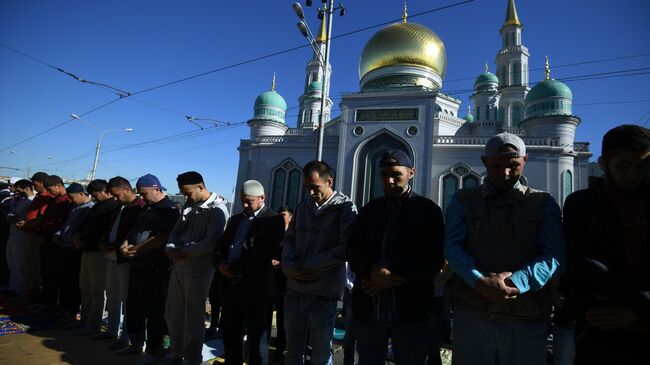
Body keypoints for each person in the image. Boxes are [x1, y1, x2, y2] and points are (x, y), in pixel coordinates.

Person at [444, 132, 565, 365]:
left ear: (525, 161)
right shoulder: (464, 200)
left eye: (513, 166)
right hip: (473, 314)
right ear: (484, 162)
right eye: (497, 166)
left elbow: (553, 255)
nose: (505, 173)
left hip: (526, 318)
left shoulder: (542, 203)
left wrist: (515, 283)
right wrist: (479, 282)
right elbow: (452, 247)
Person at [560, 125, 650, 364]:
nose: (632, 175)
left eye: (642, 166)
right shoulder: (582, 205)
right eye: (623, 166)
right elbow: (577, 264)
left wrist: (638, 312)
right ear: (603, 162)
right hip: (600, 325)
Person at [346, 150, 445, 364]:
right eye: (383, 175)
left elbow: (432, 258)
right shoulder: (370, 211)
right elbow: (353, 249)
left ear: (411, 173)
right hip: (371, 308)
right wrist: (372, 271)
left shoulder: (427, 211)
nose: (389, 181)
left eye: (396, 175)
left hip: (410, 310)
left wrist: (387, 277)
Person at [282, 160, 357, 365]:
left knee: (321, 353)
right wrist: (288, 265)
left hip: (323, 292)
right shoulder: (303, 206)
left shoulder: (345, 208)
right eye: (307, 187)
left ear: (329, 181)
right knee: (293, 351)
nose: (311, 192)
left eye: (315, 187)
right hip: (295, 289)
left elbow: (344, 248)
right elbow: (290, 237)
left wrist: (309, 266)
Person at [214, 180, 285, 365]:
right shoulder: (236, 219)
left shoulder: (273, 219)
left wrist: (235, 269)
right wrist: (220, 264)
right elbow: (220, 246)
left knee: (257, 340)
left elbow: (263, 253)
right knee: (231, 335)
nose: (245, 205)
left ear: (262, 198)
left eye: (249, 202)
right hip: (231, 287)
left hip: (256, 289)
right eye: (242, 201)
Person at [164, 171, 229, 365]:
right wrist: (172, 248)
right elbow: (176, 231)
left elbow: (212, 241)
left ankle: (192, 358)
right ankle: (176, 354)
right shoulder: (189, 205)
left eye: (188, 192)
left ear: (201, 187)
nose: (186, 196)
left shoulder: (218, 209)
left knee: (193, 316)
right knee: (173, 313)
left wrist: (186, 252)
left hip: (198, 268)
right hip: (179, 263)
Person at [119, 174, 179, 364]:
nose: (142, 198)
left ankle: (155, 349)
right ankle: (136, 342)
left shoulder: (169, 210)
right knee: (134, 306)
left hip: (156, 268)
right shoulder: (146, 208)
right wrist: (125, 245)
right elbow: (134, 230)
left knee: (156, 311)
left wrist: (136, 250)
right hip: (138, 265)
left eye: (144, 194)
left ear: (157, 189)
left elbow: (161, 238)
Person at [95, 176, 146, 350]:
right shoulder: (120, 207)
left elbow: (134, 235)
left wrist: (116, 246)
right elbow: (112, 229)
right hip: (111, 256)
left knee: (127, 300)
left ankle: (126, 337)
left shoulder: (140, 207)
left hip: (124, 259)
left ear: (126, 190)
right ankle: (111, 331)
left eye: (117, 195)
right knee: (112, 295)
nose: (115, 199)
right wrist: (105, 242)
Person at [73, 179, 120, 335]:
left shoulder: (113, 208)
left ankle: (93, 325)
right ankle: (85, 320)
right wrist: (78, 237)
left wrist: (86, 239)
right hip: (87, 250)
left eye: (95, 194)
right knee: (84, 287)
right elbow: (86, 226)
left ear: (104, 191)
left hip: (99, 253)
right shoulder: (96, 207)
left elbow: (102, 231)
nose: (93, 198)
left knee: (97, 291)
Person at [57, 183, 94, 326]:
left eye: (72, 197)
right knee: (65, 280)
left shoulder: (88, 208)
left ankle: (73, 311)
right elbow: (67, 225)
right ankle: (65, 308)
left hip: (76, 249)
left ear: (81, 194)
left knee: (74, 283)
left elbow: (80, 229)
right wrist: (58, 234)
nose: (71, 200)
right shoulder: (74, 207)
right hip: (65, 246)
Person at [39, 175, 73, 311]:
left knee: (55, 276)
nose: (48, 192)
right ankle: (47, 303)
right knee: (46, 274)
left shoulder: (67, 201)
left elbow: (64, 223)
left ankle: (53, 305)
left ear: (59, 186)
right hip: (47, 241)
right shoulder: (56, 200)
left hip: (57, 244)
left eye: (50, 189)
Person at [18, 172, 53, 305]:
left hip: (37, 236)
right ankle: (26, 293)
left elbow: (42, 218)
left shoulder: (47, 197)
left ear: (41, 182)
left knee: (34, 268)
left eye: (35, 183)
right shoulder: (39, 196)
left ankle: (33, 297)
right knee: (26, 267)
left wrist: (28, 224)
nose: (33, 186)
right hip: (29, 233)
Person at [267, 206, 292, 360]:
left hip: (285, 282)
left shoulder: (292, 236)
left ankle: (281, 348)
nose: (280, 218)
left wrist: (281, 262)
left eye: (283, 215)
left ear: (290, 217)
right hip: (271, 280)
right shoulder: (273, 234)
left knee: (283, 318)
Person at [5, 179, 35, 296]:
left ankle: (19, 290)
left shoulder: (33, 201)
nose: (17, 193)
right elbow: (12, 213)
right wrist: (13, 217)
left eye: (19, 190)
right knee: (11, 262)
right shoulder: (23, 201)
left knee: (19, 264)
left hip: (22, 235)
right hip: (13, 233)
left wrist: (19, 220)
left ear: (26, 189)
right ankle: (13, 287)